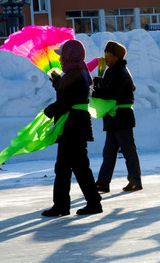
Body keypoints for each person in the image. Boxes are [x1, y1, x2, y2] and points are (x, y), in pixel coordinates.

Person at [42, 39, 102, 216]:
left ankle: (87, 203)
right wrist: (57, 81)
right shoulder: (77, 72)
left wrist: (51, 110)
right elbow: (68, 94)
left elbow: (67, 100)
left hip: (73, 127)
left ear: (69, 56)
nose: (60, 60)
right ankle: (65, 205)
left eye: (62, 57)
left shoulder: (74, 74)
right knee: (66, 167)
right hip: (74, 125)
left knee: (77, 167)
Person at [93, 41, 142, 192]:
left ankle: (135, 181)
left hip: (121, 116)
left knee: (128, 151)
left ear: (117, 56)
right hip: (113, 118)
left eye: (108, 54)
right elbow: (108, 89)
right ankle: (102, 183)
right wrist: (99, 84)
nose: (106, 57)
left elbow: (110, 93)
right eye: (105, 54)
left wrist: (94, 92)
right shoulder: (113, 70)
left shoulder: (119, 72)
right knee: (108, 153)